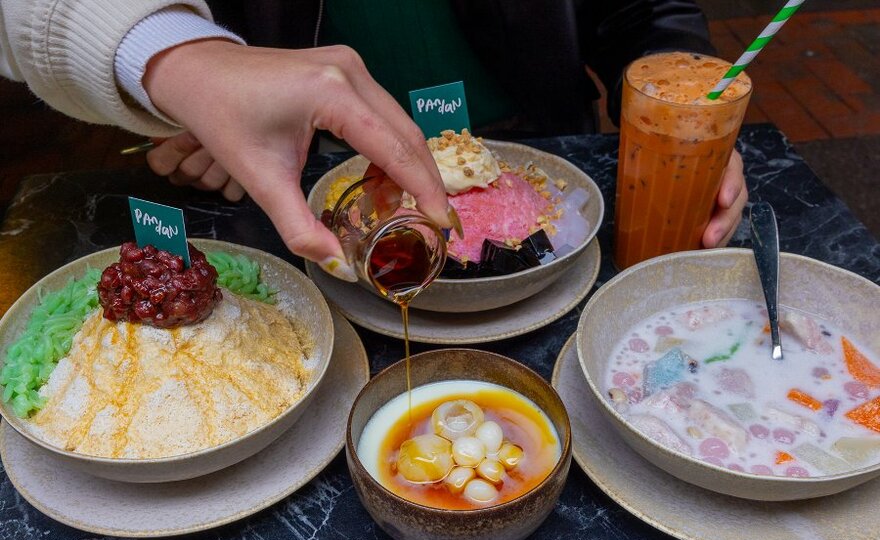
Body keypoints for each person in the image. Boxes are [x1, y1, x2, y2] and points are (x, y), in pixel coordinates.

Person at [0, 1, 747, 279]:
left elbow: (648, 11)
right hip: (311, 162)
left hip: (535, 139)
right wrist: (179, 59)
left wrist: (690, 109)